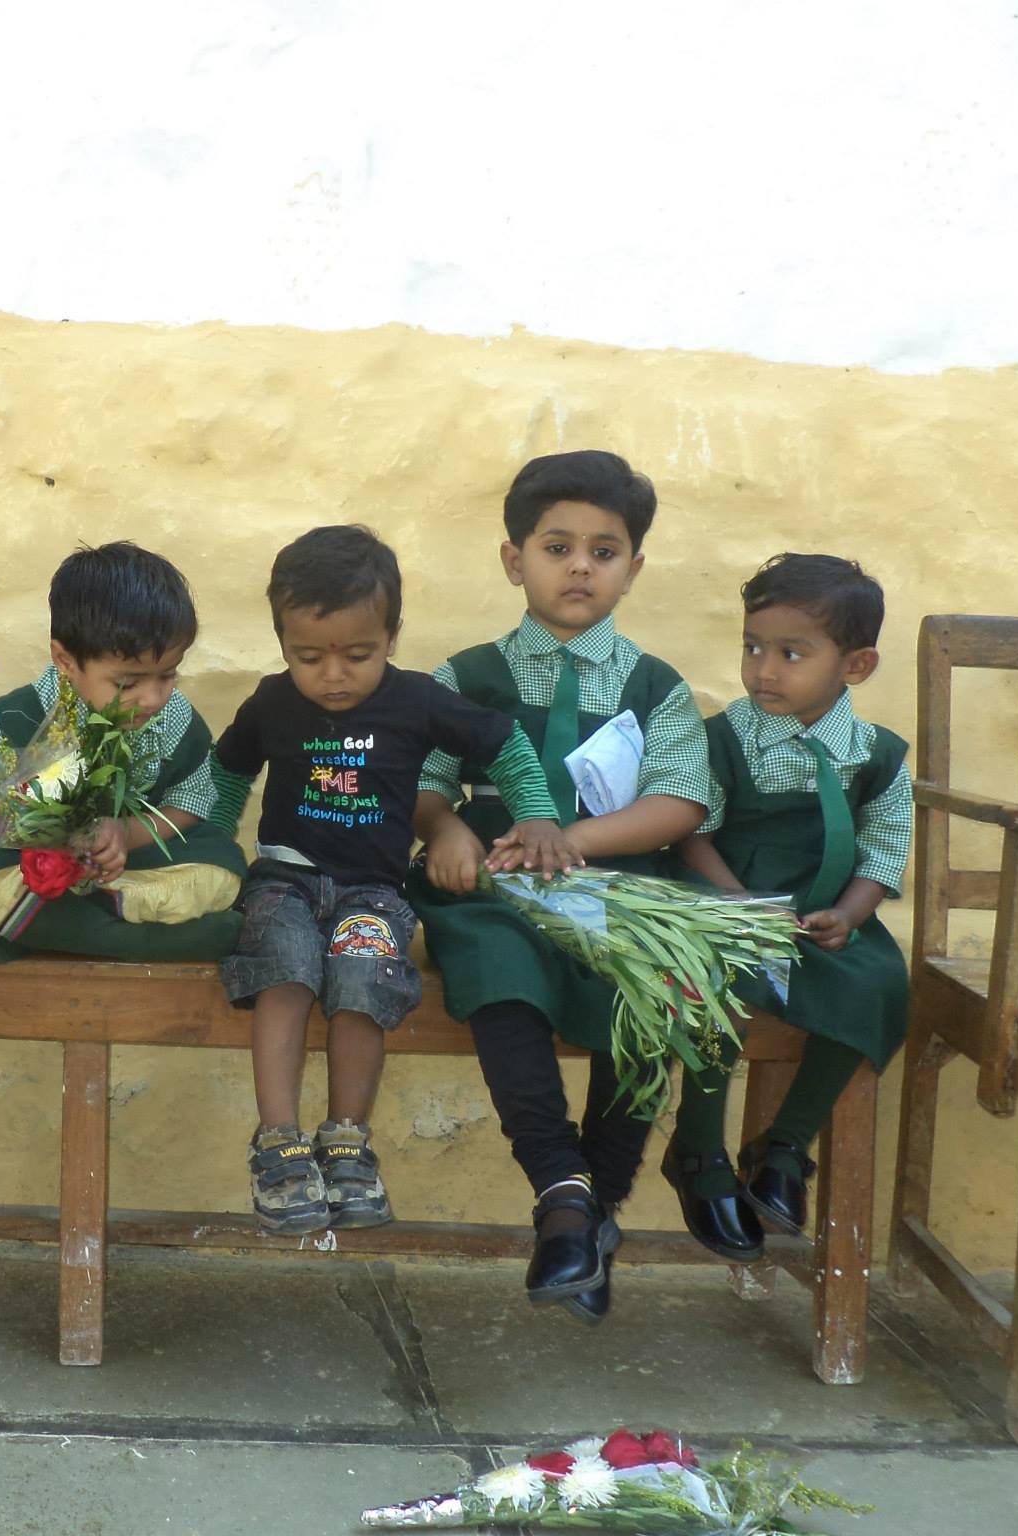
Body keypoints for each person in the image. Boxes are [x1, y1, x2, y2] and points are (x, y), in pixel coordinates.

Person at [409, 450, 710, 1323]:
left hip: (616, 884)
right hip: (494, 888)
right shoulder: (466, 677)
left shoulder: (656, 686)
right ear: (515, 561)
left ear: (633, 569)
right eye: (557, 548)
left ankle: (592, 1204)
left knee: (655, 978)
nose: (580, 567)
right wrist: (446, 829)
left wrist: (570, 838)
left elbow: (681, 800)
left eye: (603, 552)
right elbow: (422, 784)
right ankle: (561, 1189)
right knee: (497, 970)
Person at [209, 525, 568, 1235]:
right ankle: (278, 1144)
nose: (333, 675)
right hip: (283, 882)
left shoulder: (417, 701)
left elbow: (505, 743)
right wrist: (214, 855)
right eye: (309, 657)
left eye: (358, 655)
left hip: (373, 892)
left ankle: (347, 1143)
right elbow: (227, 773)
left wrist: (536, 815)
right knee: (286, 971)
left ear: (392, 636)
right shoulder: (273, 703)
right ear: (281, 642)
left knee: (362, 978)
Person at [669, 553, 909, 1243]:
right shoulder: (722, 739)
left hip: (819, 914)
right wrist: (738, 904)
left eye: (790, 654)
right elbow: (692, 834)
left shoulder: (878, 755)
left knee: (876, 985)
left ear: (855, 666)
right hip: (724, 903)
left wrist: (849, 915)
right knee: (716, 983)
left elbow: (885, 849)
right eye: (753, 647)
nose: (763, 670)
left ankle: (784, 1146)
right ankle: (698, 1149)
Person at [0, 541, 243, 962]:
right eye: (127, 684)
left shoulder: (175, 717)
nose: (152, 698)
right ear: (65, 660)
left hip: (136, 863)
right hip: (37, 872)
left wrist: (124, 833)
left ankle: (96, 920)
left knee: (223, 866)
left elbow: (190, 803)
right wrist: (56, 844)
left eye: (167, 676)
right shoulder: (16, 720)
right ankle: (146, 938)